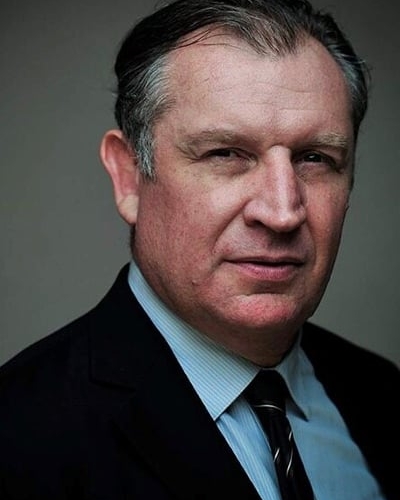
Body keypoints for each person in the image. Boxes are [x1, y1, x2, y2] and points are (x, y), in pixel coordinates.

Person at [0, 0, 399, 499]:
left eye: (315, 158)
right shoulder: (18, 438)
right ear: (129, 177)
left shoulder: (383, 395)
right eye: (225, 153)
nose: (282, 212)